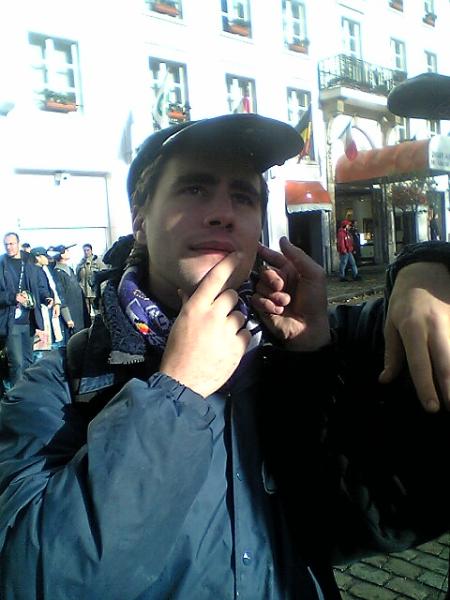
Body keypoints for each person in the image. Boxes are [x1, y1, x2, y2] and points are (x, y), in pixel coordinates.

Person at [0, 114, 449, 600]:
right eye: (194, 189)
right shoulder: (62, 384)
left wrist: (425, 270)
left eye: (243, 196)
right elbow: (30, 576)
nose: (222, 213)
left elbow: (383, 510)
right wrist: (177, 393)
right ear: (141, 222)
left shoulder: (304, 339)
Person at [0, 232, 50, 387]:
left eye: (12, 244)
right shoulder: (1, 264)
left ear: (18, 243)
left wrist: (47, 298)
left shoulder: (29, 262)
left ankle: (28, 393)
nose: (9, 247)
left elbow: (39, 286)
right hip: (10, 321)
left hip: (29, 320)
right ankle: (17, 395)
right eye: (6, 244)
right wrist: (13, 297)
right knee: (17, 363)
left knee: (28, 361)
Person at [50, 244, 90, 344]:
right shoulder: (57, 272)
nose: (69, 252)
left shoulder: (69, 270)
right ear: (61, 255)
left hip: (80, 312)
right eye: (66, 251)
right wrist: (67, 318)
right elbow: (60, 296)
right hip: (72, 315)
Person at [30, 247, 63, 354]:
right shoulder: (35, 271)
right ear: (37, 257)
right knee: (42, 346)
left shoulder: (41, 269)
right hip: (41, 310)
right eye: (44, 256)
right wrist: (47, 298)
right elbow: (40, 288)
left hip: (46, 308)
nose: (47, 259)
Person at [76, 243, 105, 318]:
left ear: (91, 250)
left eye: (88, 250)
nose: (86, 252)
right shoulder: (80, 263)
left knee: (99, 312)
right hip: (84, 292)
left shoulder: (98, 261)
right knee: (86, 313)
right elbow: (77, 277)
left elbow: (104, 274)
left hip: (95, 292)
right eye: (84, 250)